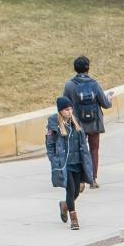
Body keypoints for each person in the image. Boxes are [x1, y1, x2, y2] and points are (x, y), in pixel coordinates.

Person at [63, 56, 112, 189]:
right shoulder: (94, 84)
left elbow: (64, 105)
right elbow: (106, 104)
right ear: (88, 68)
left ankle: (80, 180)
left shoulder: (69, 85)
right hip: (94, 123)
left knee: (79, 150)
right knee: (94, 150)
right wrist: (109, 98)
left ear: (75, 68)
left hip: (77, 123)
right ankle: (93, 180)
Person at [45, 95, 91, 230]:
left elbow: (83, 144)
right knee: (70, 189)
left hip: (77, 162)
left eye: (71, 109)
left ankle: (64, 205)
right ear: (60, 111)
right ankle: (74, 219)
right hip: (65, 164)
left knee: (77, 191)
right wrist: (55, 161)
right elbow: (50, 146)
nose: (69, 112)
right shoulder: (54, 126)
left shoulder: (76, 124)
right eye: (66, 110)